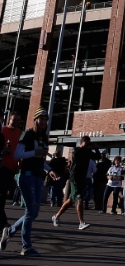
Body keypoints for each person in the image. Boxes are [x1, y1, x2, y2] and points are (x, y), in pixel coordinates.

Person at [3, 108, 51, 256]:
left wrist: (50, 169)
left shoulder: (43, 137)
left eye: (45, 119)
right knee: (30, 211)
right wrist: (35, 152)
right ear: (35, 120)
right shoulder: (28, 134)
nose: (43, 122)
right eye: (41, 119)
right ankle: (26, 246)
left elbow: (40, 159)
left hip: (38, 176)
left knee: (34, 212)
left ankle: (9, 231)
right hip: (27, 176)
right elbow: (18, 154)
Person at [51, 136, 93, 230]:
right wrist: (85, 148)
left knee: (70, 200)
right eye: (86, 143)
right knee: (79, 199)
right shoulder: (77, 151)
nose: (88, 145)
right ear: (82, 143)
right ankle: (81, 222)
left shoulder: (88, 152)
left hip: (82, 178)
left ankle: (56, 216)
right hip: (75, 177)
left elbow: (97, 156)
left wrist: (95, 148)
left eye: (89, 143)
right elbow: (76, 155)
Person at [0, 112, 21, 233]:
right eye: (14, 120)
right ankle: (3, 223)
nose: (17, 122)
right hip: (2, 167)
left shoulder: (19, 133)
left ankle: (2, 222)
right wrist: (3, 150)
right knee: (1, 195)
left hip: (12, 169)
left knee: (4, 195)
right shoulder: (3, 130)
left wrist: (19, 165)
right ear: (9, 120)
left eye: (18, 120)